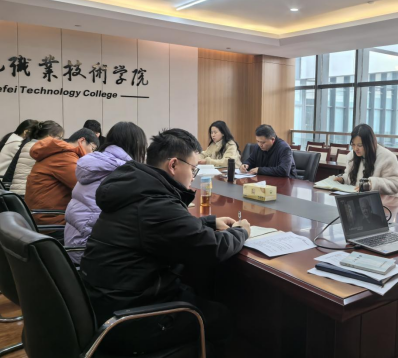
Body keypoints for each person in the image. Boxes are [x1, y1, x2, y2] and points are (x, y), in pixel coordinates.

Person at [80, 128, 251, 356]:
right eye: (193, 169)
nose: (193, 176)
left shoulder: (137, 187)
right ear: (173, 165)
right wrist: (240, 232)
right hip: (130, 317)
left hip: (108, 300)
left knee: (196, 287)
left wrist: (209, 222)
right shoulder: (154, 202)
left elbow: (165, 228)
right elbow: (211, 248)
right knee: (221, 317)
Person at [64, 122, 147, 264]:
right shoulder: (121, 171)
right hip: (89, 250)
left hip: (73, 243)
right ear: (136, 145)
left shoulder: (98, 163)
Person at [25, 128, 99, 236]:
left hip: (39, 216)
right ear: (82, 141)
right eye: (92, 148)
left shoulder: (58, 152)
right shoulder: (65, 156)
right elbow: (85, 186)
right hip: (51, 221)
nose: (91, 154)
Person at [333, 124, 398, 196]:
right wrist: (342, 179)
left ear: (369, 143)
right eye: (353, 144)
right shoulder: (352, 155)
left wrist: (371, 184)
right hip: (360, 198)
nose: (356, 148)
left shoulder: (387, 157)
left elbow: (396, 185)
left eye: (360, 145)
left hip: (383, 200)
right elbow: (352, 179)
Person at [7, 121, 64, 195]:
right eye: (60, 138)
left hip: (18, 192)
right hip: (27, 193)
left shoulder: (29, 144)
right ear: (49, 136)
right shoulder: (41, 148)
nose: (61, 141)